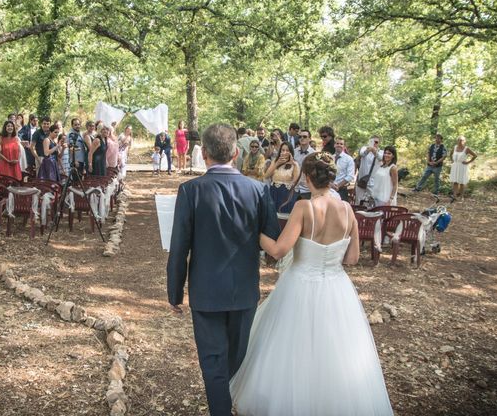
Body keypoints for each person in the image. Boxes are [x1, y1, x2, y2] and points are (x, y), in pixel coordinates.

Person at [230, 152, 393, 416]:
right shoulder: (347, 210)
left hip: (300, 285)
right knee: (336, 351)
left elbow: (279, 250)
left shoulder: (304, 208)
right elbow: (352, 259)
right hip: (337, 288)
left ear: (307, 178)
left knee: (292, 347)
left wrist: (253, 231)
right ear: (331, 178)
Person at [167, 123, 280, 416]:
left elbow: (180, 247)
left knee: (213, 361)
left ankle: (222, 408)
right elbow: (271, 242)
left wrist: (174, 293)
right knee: (236, 358)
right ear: (236, 153)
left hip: (206, 290)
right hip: (243, 289)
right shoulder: (258, 190)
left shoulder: (190, 190)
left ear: (203, 153)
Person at [264, 142, 300, 213]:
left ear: (291, 152)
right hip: (274, 192)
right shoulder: (275, 161)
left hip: (286, 194)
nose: (284, 152)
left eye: (287, 150)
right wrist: (277, 164)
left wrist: (294, 165)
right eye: (283, 150)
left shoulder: (295, 164)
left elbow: (296, 182)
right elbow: (266, 176)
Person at [356, 135, 383, 204]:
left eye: (376, 142)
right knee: (358, 200)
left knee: (372, 201)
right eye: (372, 141)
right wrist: (368, 150)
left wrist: (374, 151)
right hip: (361, 180)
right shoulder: (364, 148)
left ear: (379, 143)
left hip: (373, 182)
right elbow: (362, 154)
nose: (374, 143)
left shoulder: (381, 152)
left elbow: (380, 158)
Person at [449, 136, 477, 200]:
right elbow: (450, 154)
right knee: (455, 181)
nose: (460, 141)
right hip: (455, 166)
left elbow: (475, 155)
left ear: (464, 141)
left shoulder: (466, 149)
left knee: (462, 182)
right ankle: (454, 196)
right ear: (457, 141)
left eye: (461, 140)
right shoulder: (455, 147)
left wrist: (468, 162)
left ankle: (461, 197)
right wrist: (452, 160)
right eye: (459, 140)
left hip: (462, 166)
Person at [294, 129, 315, 200]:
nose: (302, 138)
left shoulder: (314, 154)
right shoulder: (294, 152)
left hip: (307, 189)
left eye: (305, 136)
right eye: (300, 137)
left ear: (310, 139)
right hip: (294, 187)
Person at [332, 137, 355, 202]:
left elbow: (350, 176)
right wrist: (331, 185)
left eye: (341, 144)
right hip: (330, 189)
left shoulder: (349, 159)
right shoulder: (330, 158)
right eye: (337, 143)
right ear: (334, 145)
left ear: (344, 146)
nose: (339, 145)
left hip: (341, 190)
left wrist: (338, 186)